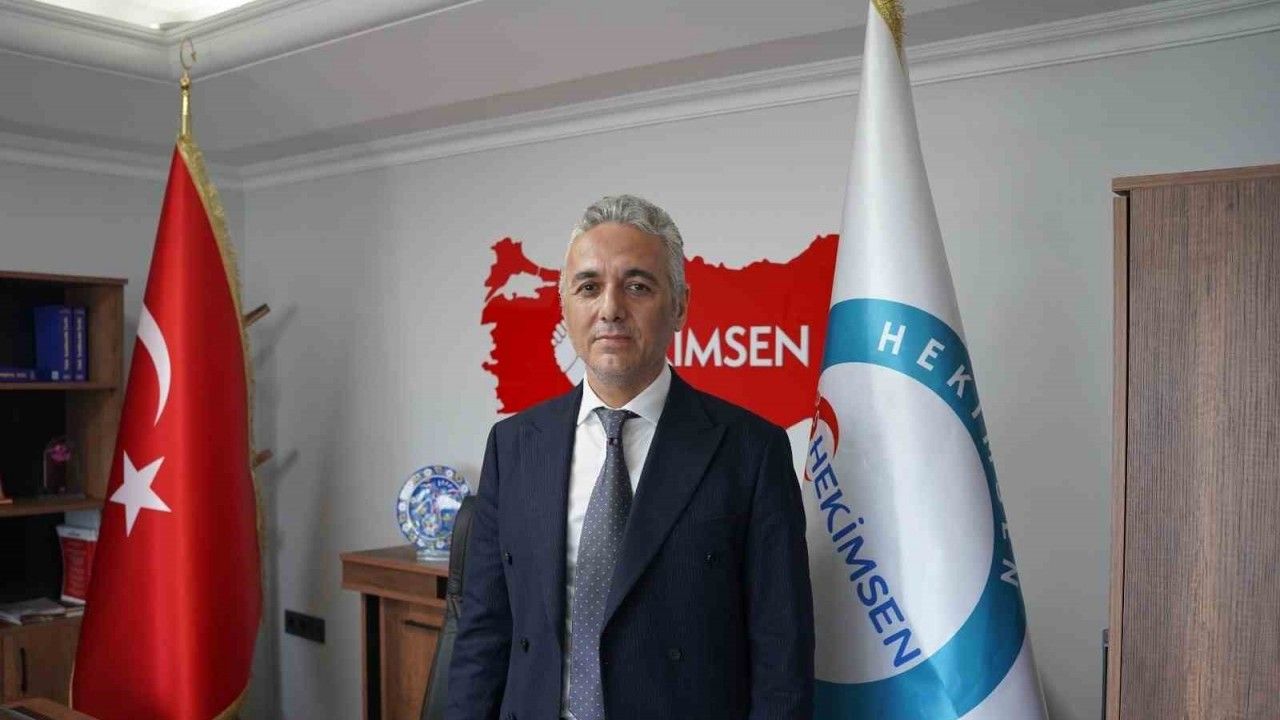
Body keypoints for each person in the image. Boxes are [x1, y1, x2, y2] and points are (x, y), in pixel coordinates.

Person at [447, 195, 814, 720]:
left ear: (680, 306)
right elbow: (484, 631)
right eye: (589, 287)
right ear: (564, 306)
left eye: (638, 286)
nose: (610, 309)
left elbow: (783, 654)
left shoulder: (751, 452)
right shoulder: (514, 445)